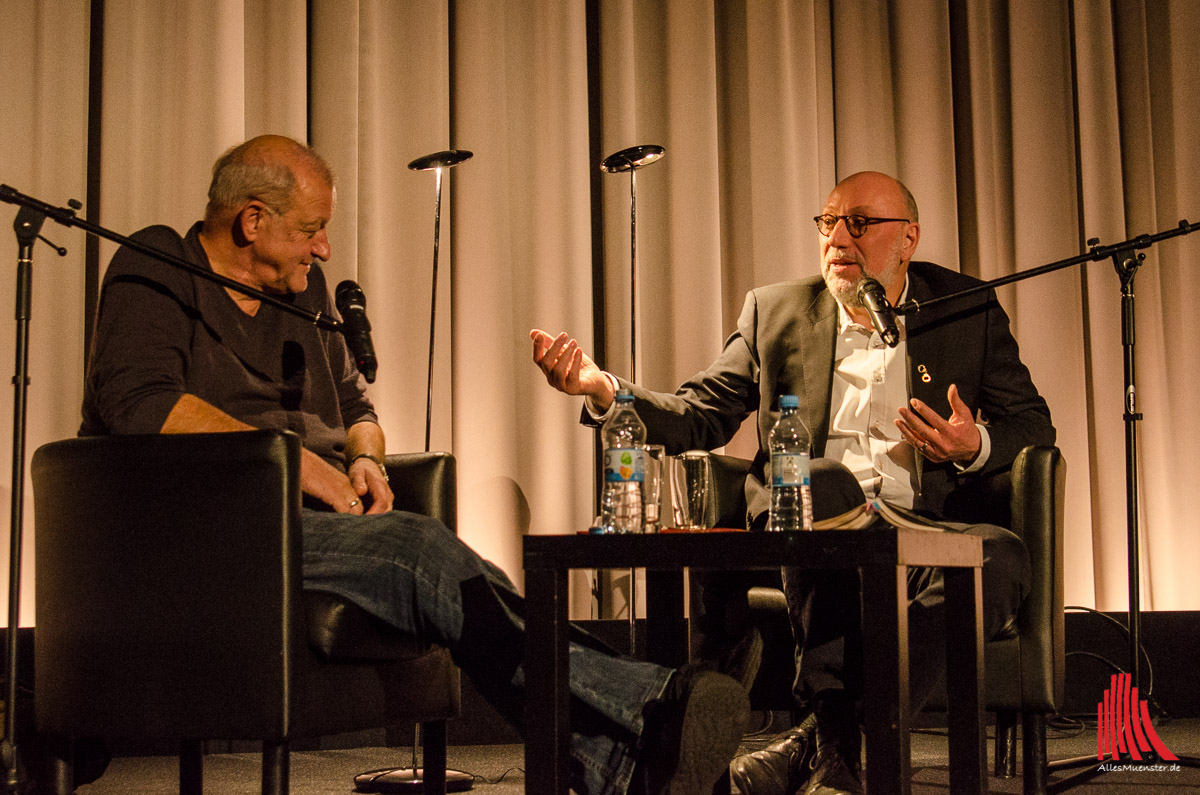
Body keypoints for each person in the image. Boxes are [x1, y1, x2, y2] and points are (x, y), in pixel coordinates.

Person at [80, 134, 750, 795]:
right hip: (206, 528)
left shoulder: (302, 293)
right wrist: (306, 469)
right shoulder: (158, 263)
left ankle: (611, 763)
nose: (325, 248)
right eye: (313, 228)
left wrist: (366, 458)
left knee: (452, 575)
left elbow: (353, 401)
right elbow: (141, 405)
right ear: (252, 220)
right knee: (418, 550)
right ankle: (652, 699)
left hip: (313, 524)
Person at [531, 171, 1055, 795]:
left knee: (999, 558)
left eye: (859, 223)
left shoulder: (963, 307)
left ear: (908, 237)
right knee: (815, 486)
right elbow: (702, 411)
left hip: (926, 523)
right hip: (804, 509)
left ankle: (828, 739)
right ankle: (840, 748)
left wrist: (975, 445)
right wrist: (605, 391)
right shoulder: (774, 310)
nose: (837, 237)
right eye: (827, 222)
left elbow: (1033, 424)